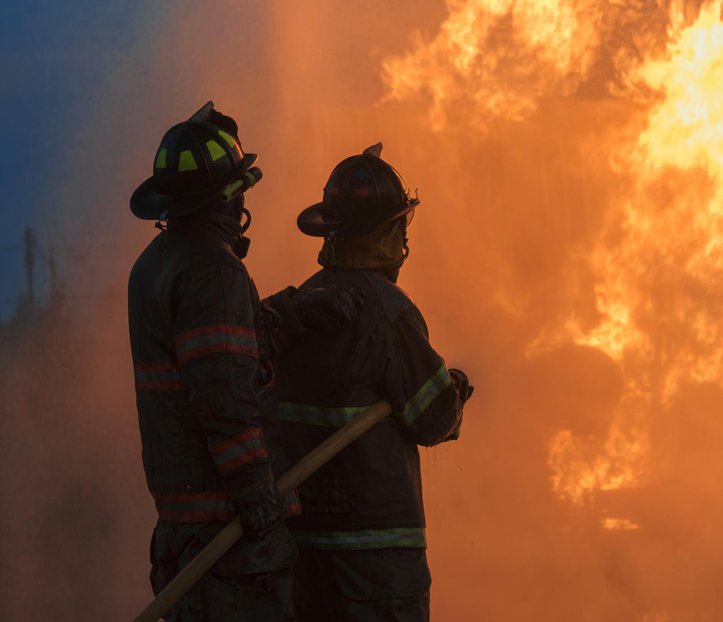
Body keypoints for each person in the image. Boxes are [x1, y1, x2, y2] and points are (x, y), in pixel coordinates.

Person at [127, 102, 359, 621]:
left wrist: (293, 312)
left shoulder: (156, 265)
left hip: (180, 535)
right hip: (229, 541)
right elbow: (225, 399)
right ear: (229, 196)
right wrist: (258, 496)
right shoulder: (215, 272)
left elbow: (223, 351)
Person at [267, 143, 474, 621]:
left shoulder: (297, 308)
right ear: (390, 231)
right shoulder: (390, 312)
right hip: (377, 567)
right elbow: (434, 418)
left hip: (306, 553)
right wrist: (455, 392)